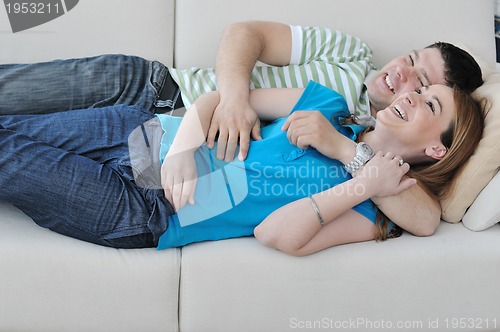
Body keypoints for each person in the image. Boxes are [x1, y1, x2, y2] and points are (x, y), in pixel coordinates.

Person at [0, 21, 483, 237]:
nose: (406, 85)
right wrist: (217, 117)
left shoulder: (376, 178)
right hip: (154, 114)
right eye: (413, 63)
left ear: (441, 146)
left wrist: (349, 156)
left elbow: (425, 218)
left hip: (155, 205)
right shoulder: (338, 78)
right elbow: (242, 36)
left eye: (425, 89)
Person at [0, 80, 484, 255]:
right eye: (419, 90)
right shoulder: (327, 103)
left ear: (439, 150)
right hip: (142, 133)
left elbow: (275, 234)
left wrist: (354, 173)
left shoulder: (376, 208)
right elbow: (216, 100)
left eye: (430, 104)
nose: (410, 95)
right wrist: (183, 150)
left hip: (149, 211)